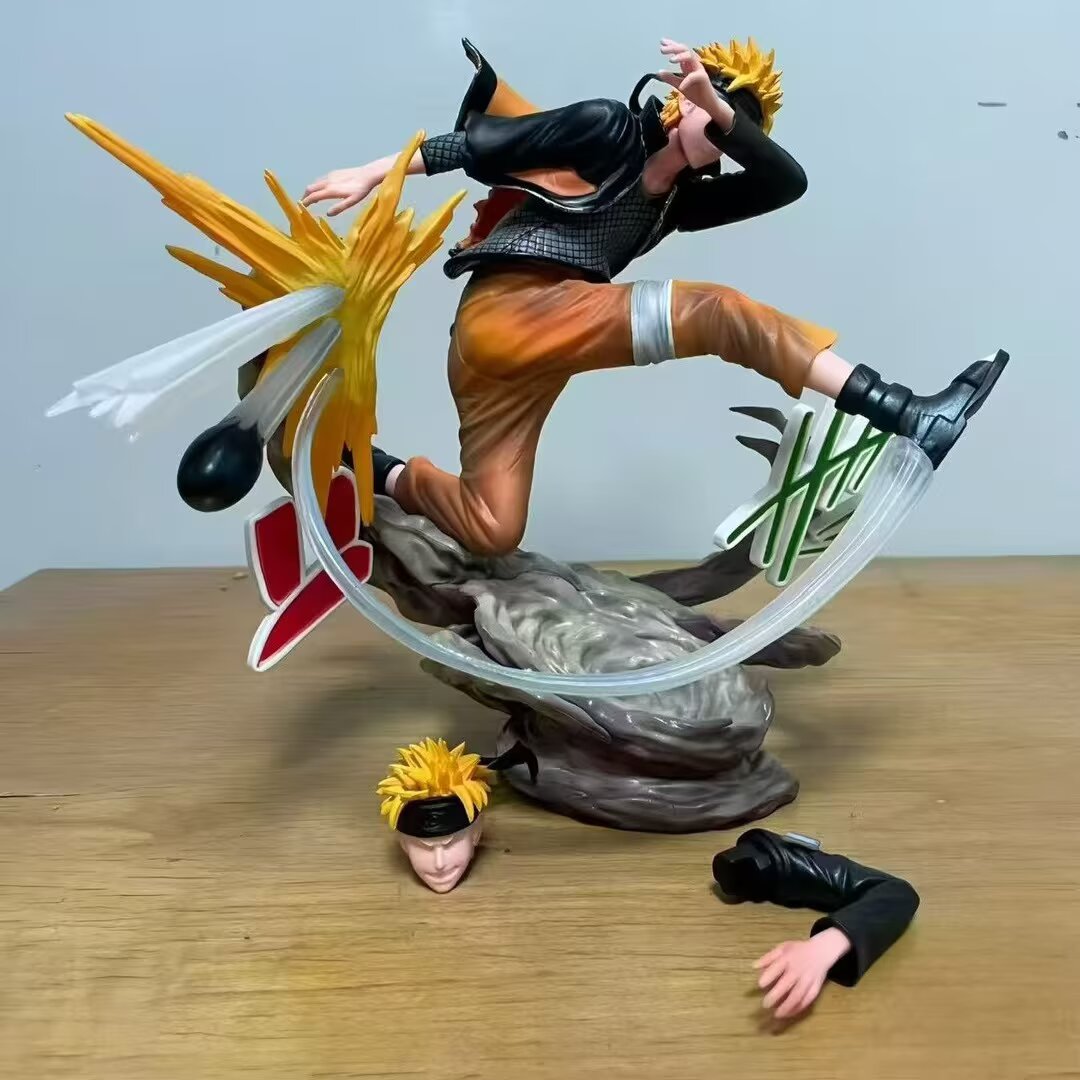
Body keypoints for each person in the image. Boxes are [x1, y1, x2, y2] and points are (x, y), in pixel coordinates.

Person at [302, 36, 1007, 558]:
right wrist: (372, 172)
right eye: (716, 113)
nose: (723, 139)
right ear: (678, 98)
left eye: (736, 130)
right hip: (505, 315)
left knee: (492, 527)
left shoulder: (679, 204)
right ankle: (903, 411)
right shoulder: (607, 128)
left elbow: (786, 183)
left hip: (523, 359)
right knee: (718, 312)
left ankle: (371, 469)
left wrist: (720, 111)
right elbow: (481, 147)